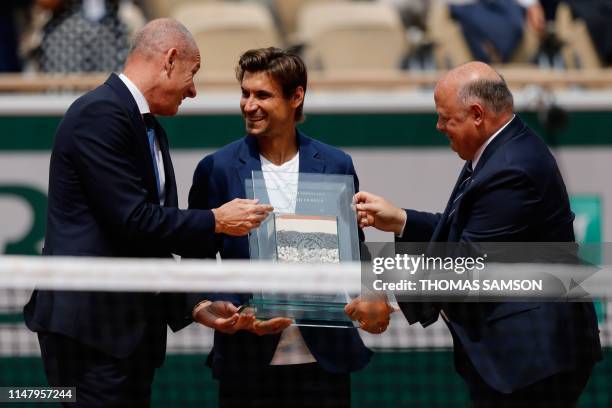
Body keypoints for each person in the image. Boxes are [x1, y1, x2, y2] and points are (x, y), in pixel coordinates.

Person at [23, 19, 272, 407]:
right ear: (170, 60)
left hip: (127, 337)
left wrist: (196, 304)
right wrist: (216, 220)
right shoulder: (100, 114)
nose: (193, 89)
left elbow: (143, 243)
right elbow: (133, 220)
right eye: (193, 74)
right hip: (89, 336)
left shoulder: (148, 126)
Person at [353, 61, 602, 406]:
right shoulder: (497, 151)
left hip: (533, 357)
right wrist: (402, 220)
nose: (439, 126)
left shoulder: (512, 167)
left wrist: (381, 291)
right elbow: (469, 233)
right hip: (517, 351)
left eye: (445, 117)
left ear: (477, 113)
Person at [187, 47, 375, 407]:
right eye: (245, 93)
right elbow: (197, 256)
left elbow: (354, 249)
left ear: (296, 97)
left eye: (262, 95)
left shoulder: (336, 164)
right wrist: (212, 303)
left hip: (325, 361)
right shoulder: (217, 168)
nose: (248, 104)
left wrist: (370, 295)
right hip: (247, 362)